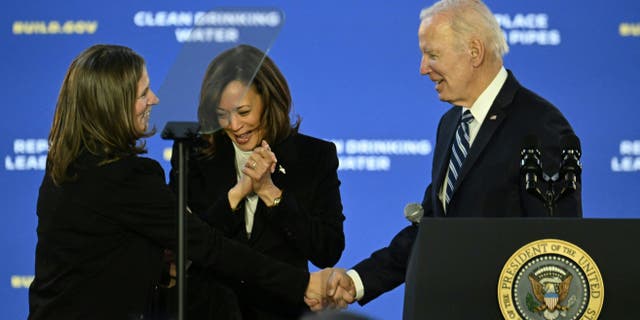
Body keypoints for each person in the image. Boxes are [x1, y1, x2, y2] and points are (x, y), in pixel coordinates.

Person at [28, 44, 332, 320]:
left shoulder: (67, 166)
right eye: (143, 93)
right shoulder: (128, 176)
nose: (154, 99)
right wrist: (303, 283)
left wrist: (242, 193)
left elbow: (148, 247)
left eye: (243, 112)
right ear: (114, 105)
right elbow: (204, 244)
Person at [317, 0, 583, 310]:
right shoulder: (451, 123)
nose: (422, 68)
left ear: (474, 51)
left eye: (432, 55)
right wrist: (357, 281)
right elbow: (433, 229)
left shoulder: (541, 128)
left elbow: (556, 253)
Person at [168, 44, 345, 319]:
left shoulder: (313, 156)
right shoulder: (192, 153)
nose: (234, 125)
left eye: (243, 111)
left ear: (269, 100)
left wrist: (271, 193)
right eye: (222, 114)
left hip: (282, 312)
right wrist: (236, 195)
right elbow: (186, 243)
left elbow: (327, 250)